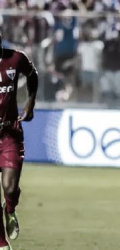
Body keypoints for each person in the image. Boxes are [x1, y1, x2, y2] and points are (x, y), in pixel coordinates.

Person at [0, 32, 39, 250]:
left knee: (10, 186)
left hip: (9, 133)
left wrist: (29, 103)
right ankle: (2, 244)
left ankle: (10, 208)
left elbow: (33, 76)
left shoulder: (15, 59)